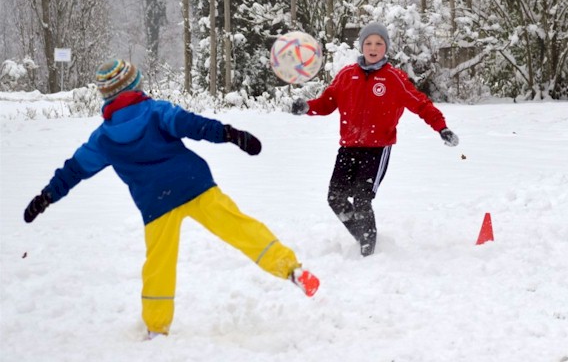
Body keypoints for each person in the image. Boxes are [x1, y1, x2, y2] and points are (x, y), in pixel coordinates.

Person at [23, 59, 320, 338]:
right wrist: (232, 134)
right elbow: (194, 125)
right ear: (134, 87)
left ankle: (156, 328)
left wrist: (47, 196)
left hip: (156, 204)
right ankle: (290, 269)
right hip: (193, 185)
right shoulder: (156, 111)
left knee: (159, 264)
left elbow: (74, 169)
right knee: (239, 227)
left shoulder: (103, 138)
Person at [290, 22, 459, 256]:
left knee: (361, 199)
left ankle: (368, 251)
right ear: (361, 46)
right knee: (335, 198)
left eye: (379, 43)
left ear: (385, 48)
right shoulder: (347, 75)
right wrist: (307, 107)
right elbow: (327, 103)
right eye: (368, 43)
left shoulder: (394, 78)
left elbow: (421, 104)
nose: (373, 47)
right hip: (349, 148)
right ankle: (361, 236)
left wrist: (442, 128)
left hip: (377, 150)